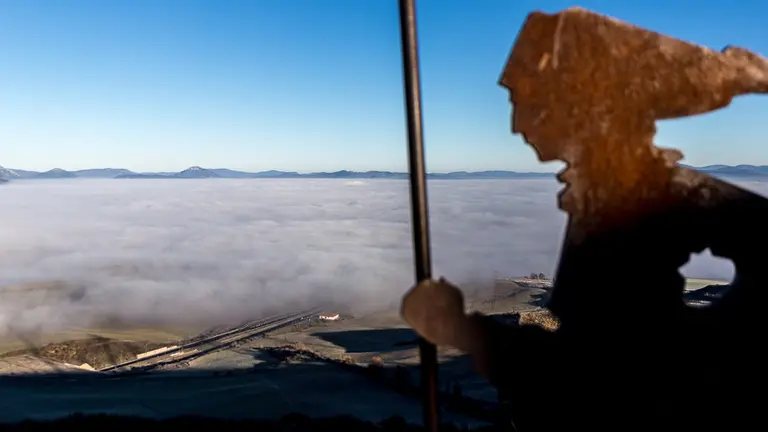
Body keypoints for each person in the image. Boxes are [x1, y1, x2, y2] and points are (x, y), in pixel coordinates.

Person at [401, 8, 768, 431]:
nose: (517, 123)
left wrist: (458, 329)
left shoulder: (645, 198)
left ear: (581, 103)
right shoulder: (610, 195)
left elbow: (591, 373)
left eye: (525, 100)